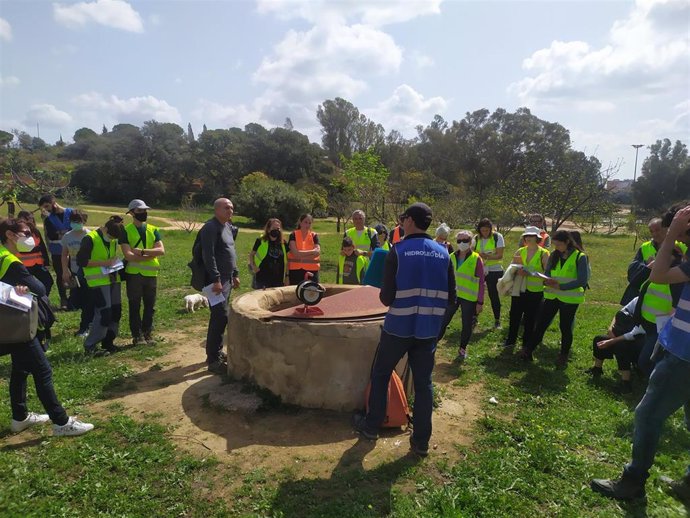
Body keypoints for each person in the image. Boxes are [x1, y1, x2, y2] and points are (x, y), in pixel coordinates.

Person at [590, 202, 690, 504]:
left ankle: (633, 483)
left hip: (684, 354)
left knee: (647, 414)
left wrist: (671, 234)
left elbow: (657, 275)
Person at [352, 202, 455, 457]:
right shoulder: (443, 254)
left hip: (398, 328)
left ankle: (372, 426)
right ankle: (420, 442)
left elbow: (386, 298)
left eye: (402, 218)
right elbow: (451, 298)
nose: (400, 222)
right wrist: (438, 329)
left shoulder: (397, 251)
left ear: (410, 221)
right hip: (427, 331)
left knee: (381, 373)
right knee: (423, 384)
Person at [0, 217, 93, 436]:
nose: (30, 238)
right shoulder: (10, 261)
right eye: (25, 233)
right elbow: (40, 288)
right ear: (10, 235)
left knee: (21, 370)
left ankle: (19, 417)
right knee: (43, 371)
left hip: (10, 324)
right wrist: (26, 282)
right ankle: (61, 423)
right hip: (18, 326)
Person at [517, 230, 589, 367]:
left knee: (565, 327)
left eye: (559, 245)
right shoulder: (554, 255)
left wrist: (561, 286)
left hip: (569, 299)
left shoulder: (580, 257)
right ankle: (528, 351)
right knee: (541, 324)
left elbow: (582, 280)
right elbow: (548, 272)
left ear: (567, 242)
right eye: (555, 245)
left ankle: (563, 355)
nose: (556, 248)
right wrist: (546, 280)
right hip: (551, 296)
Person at [199, 198, 240, 375]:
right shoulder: (210, 227)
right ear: (217, 210)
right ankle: (213, 359)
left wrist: (235, 274)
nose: (230, 210)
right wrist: (216, 279)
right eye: (226, 207)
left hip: (227, 279)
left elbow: (231, 251)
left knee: (221, 316)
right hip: (215, 281)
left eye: (231, 207)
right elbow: (209, 255)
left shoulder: (228, 227)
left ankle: (217, 352)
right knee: (219, 316)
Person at [77, 215, 125, 355]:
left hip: (112, 279)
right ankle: (90, 346)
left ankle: (108, 342)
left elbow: (109, 257)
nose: (112, 239)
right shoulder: (90, 239)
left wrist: (114, 263)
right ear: (105, 228)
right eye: (110, 236)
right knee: (104, 313)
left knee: (116, 312)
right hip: (97, 282)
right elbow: (81, 261)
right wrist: (105, 263)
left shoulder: (113, 239)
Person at [120, 199, 165, 346]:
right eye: (140, 211)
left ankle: (147, 333)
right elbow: (128, 255)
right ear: (132, 213)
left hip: (151, 275)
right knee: (134, 305)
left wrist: (143, 252)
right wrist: (151, 256)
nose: (144, 213)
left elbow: (161, 251)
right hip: (134, 274)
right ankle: (137, 335)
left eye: (145, 210)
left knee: (150, 306)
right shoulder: (125, 230)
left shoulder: (154, 229)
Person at [437, 230, 485, 362]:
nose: (462, 243)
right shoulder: (451, 256)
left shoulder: (476, 259)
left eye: (465, 241)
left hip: (469, 298)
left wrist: (480, 302)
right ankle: (433, 344)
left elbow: (481, 282)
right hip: (452, 296)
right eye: (459, 241)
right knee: (443, 321)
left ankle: (463, 348)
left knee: (466, 324)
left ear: (470, 242)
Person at [586, 296, 646, 393]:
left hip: (639, 341)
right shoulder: (637, 300)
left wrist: (613, 341)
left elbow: (635, 334)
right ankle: (597, 369)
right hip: (622, 336)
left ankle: (626, 383)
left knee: (621, 346)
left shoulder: (653, 311)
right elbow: (619, 313)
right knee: (599, 339)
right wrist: (610, 329)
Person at [504, 226, 549, 350]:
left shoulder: (543, 253)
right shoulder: (520, 251)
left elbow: (547, 274)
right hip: (519, 289)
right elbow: (512, 267)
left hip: (535, 291)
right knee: (514, 315)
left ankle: (526, 343)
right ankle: (510, 340)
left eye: (532, 236)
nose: (528, 238)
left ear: (537, 238)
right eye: (526, 236)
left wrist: (530, 273)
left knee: (530, 318)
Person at [60, 209, 93, 337]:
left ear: (84, 221)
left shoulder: (89, 235)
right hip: (75, 273)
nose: (75, 224)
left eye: (78, 221)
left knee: (87, 301)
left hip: (88, 273)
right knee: (76, 300)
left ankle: (85, 327)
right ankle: (86, 325)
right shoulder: (68, 236)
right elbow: (64, 254)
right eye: (73, 221)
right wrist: (65, 270)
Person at [38, 194, 73, 309]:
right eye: (44, 208)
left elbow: (75, 230)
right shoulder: (48, 219)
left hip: (73, 250)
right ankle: (64, 300)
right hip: (57, 251)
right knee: (60, 275)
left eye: (47, 206)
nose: (47, 209)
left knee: (74, 274)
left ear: (53, 202)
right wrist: (66, 232)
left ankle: (74, 299)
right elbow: (52, 236)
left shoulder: (71, 213)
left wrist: (61, 233)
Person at [474, 218, 504, 329]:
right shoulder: (476, 238)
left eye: (487, 230)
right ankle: (474, 317)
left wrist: (486, 256)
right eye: (482, 230)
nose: (485, 233)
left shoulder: (497, 237)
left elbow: (500, 255)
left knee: (493, 295)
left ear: (491, 229)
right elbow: (472, 252)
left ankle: (497, 320)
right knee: (476, 293)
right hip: (480, 269)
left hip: (494, 270)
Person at [15, 210, 53, 297]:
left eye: (31, 219)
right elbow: (21, 249)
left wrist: (46, 261)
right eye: (28, 219)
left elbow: (42, 247)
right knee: (25, 286)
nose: (30, 221)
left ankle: (43, 300)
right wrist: (35, 249)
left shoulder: (35, 231)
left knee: (48, 281)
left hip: (38, 264)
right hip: (24, 265)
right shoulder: (17, 232)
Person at [249, 218, 288, 289]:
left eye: (278, 228)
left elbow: (287, 261)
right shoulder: (260, 241)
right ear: (268, 229)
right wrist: (253, 266)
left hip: (278, 279)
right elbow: (251, 255)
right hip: (263, 278)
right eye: (274, 228)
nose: (276, 230)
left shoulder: (284, 243)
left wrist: (287, 276)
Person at [287, 214, 321, 285]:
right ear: (300, 222)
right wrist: (312, 252)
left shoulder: (314, 235)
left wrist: (300, 255)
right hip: (296, 271)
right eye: (305, 222)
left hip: (312, 271)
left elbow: (317, 253)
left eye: (309, 223)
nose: (307, 225)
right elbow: (295, 254)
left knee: (312, 293)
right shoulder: (293, 235)